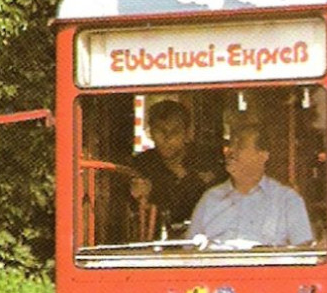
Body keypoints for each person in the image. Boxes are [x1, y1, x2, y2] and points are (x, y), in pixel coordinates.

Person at [190, 122, 313, 246]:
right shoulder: (210, 199)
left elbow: (303, 251)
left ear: (263, 155)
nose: (231, 151)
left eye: (240, 146)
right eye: (230, 145)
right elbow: (189, 250)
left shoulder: (286, 200)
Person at [130, 100, 219, 235]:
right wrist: (134, 197)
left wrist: (186, 177)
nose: (167, 137)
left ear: (187, 133)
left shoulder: (206, 161)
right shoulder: (141, 164)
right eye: (160, 130)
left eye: (175, 131)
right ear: (151, 132)